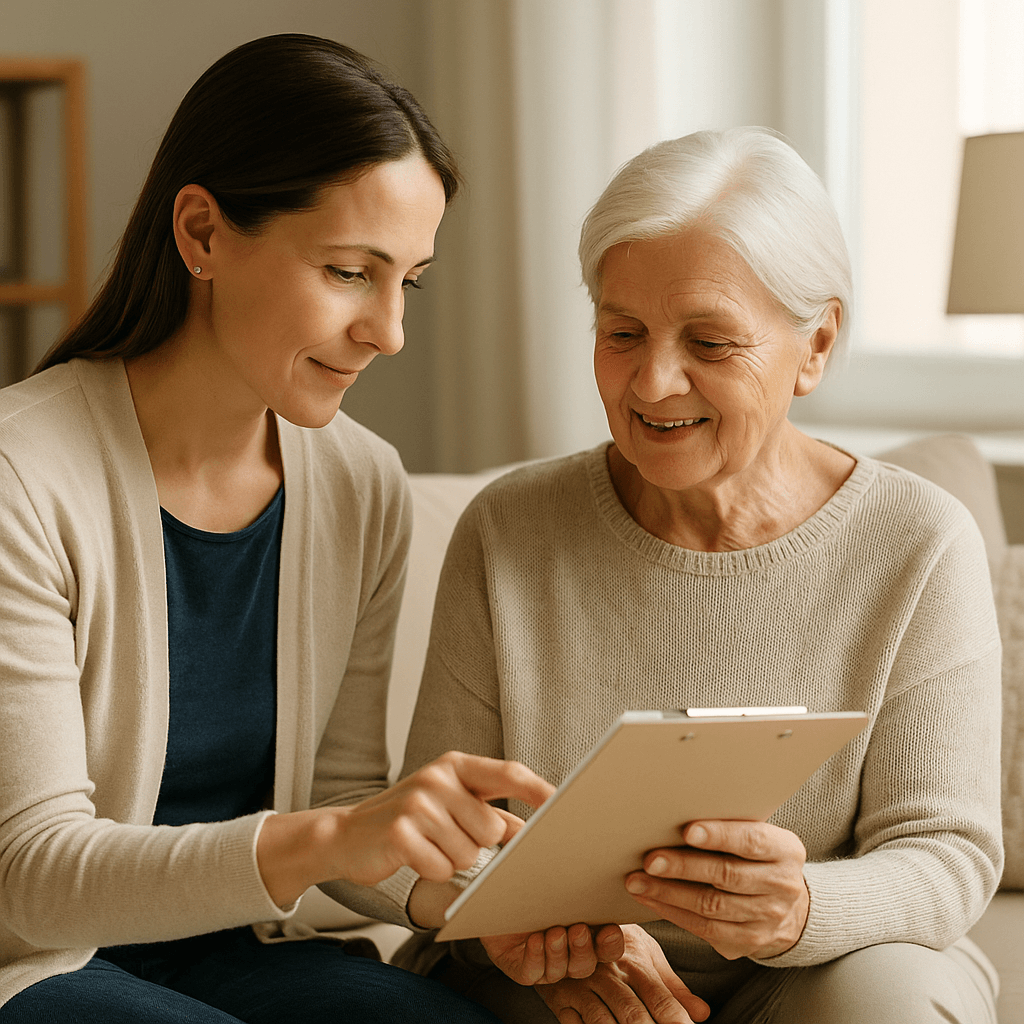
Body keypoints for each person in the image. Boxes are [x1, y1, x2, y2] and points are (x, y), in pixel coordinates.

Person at [0, 33, 575, 1024]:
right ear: (202, 233)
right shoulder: (23, 473)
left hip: (248, 947)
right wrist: (331, 839)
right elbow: (36, 875)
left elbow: (345, 801)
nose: (389, 331)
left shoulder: (362, 483)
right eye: (351, 271)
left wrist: (468, 904)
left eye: (410, 280)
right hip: (45, 958)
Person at [382, 128, 1004, 1023]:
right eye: (622, 333)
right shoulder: (510, 530)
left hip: (816, 972)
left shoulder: (917, 540)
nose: (654, 382)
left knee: (893, 1000)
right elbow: (425, 833)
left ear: (817, 344)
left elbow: (945, 853)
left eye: (710, 343)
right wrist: (531, 931)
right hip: (548, 982)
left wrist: (800, 910)